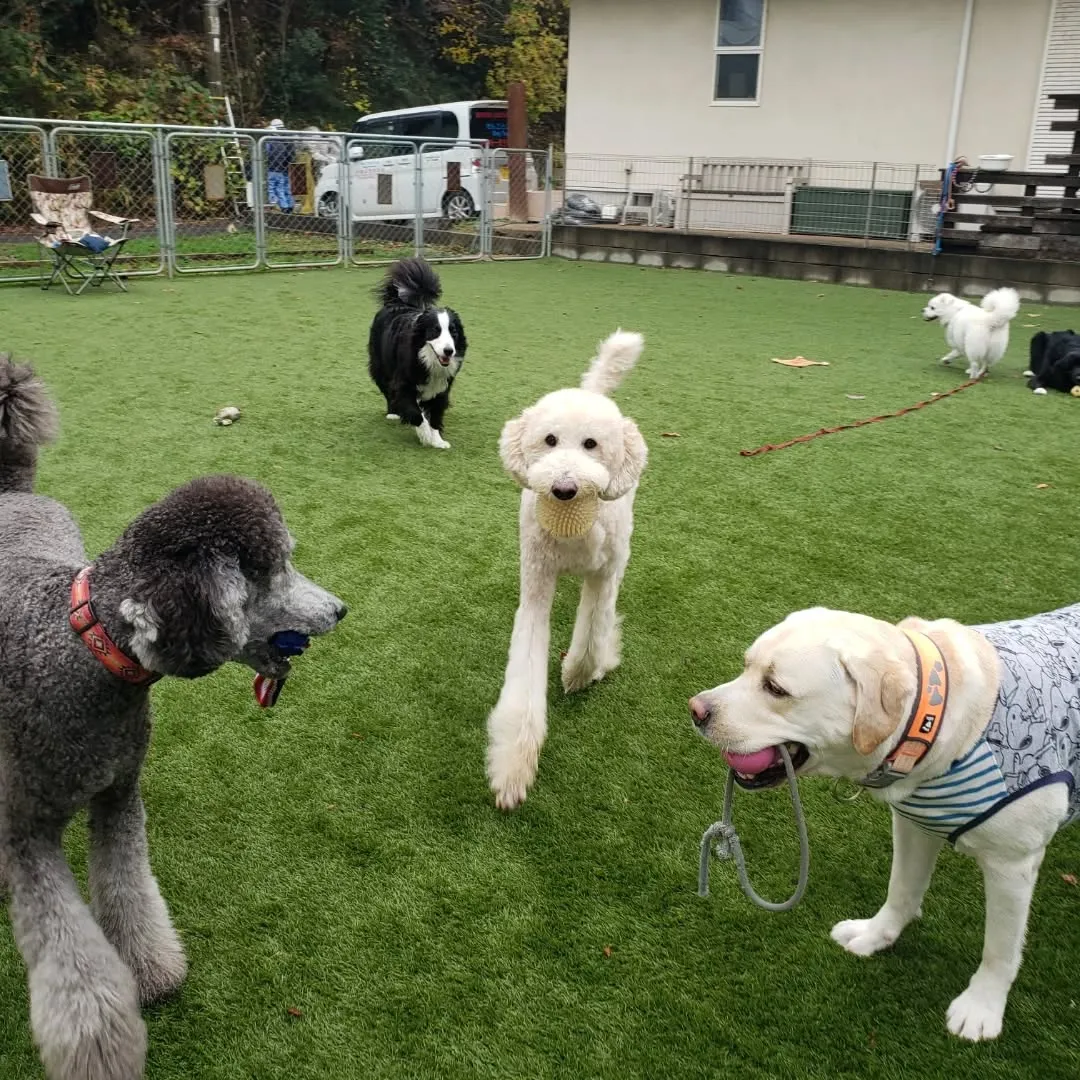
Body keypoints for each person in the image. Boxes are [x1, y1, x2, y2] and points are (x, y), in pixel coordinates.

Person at [265, 118, 295, 213]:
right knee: (285, 187)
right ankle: (288, 205)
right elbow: (290, 155)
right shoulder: (287, 139)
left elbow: (267, 154)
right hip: (285, 167)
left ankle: (277, 205)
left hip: (273, 168)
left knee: (273, 188)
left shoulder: (271, 142)